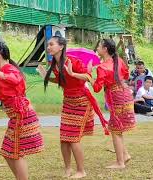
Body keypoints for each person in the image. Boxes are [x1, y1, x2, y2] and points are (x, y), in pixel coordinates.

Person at [37, 36, 108, 178]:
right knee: (64, 137)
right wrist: (46, 76)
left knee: (73, 138)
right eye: (48, 44)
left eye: (51, 44)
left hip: (82, 102)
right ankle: (68, 169)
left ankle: (81, 171)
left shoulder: (73, 61)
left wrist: (72, 73)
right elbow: (62, 81)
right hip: (68, 102)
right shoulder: (54, 63)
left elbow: (88, 77)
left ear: (61, 47)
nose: (48, 47)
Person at [0, 42, 44, 179]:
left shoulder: (9, 69)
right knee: (8, 151)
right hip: (16, 116)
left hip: (21, 114)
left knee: (16, 152)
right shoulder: (4, 70)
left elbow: (16, 79)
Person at [92, 39, 136, 169]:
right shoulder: (119, 61)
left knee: (115, 129)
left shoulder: (102, 67)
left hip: (115, 97)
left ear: (105, 49)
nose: (97, 48)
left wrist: (89, 75)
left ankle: (120, 162)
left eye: (99, 46)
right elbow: (126, 74)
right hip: (125, 94)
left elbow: (96, 88)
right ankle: (125, 155)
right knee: (118, 128)